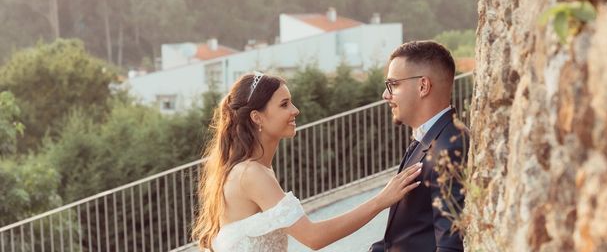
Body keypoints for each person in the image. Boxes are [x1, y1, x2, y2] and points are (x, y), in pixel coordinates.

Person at [193, 71, 423, 251]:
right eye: (284, 104)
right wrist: (382, 199)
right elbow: (314, 237)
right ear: (257, 117)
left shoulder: (254, 169)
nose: (295, 110)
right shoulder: (251, 174)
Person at [369, 40, 468, 252]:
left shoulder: (449, 148)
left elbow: (450, 248)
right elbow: (406, 237)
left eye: (393, 85)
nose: (385, 95)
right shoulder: (428, 139)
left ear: (423, 86)